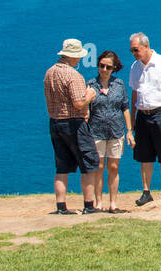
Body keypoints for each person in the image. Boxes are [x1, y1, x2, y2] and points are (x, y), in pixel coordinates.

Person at [44, 38, 100, 214]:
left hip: (55, 122)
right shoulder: (73, 76)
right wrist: (91, 94)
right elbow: (78, 102)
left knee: (62, 166)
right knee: (88, 163)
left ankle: (61, 206)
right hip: (74, 123)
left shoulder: (49, 73)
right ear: (74, 57)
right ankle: (89, 205)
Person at [128, 32, 161, 206]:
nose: (134, 53)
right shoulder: (135, 67)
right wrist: (133, 117)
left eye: (136, 50)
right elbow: (134, 93)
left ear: (145, 46)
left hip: (160, 113)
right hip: (143, 114)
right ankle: (146, 191)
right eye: (132, 51)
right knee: (144, 155)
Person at [87, 50, 132, 213]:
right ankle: (98, 203)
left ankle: (113, 203)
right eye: (101, 66)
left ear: (114, 68)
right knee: (98, 167)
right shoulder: (91, 84)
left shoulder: (119, 84)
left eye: (108, 67)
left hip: (116, 131)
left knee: (113, 167)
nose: (104, 70)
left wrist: (129, 131)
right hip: (96, 131)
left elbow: (125, 107)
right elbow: (86, 110)